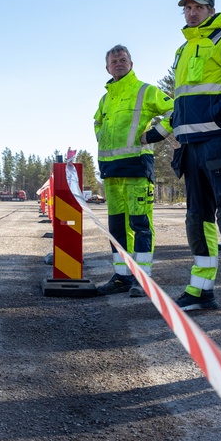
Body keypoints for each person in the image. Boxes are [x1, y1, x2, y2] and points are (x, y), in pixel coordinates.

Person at [145, 0, 221, 325]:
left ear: (211, 9)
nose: (191, 13)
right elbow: (182, 100)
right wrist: (163, 130)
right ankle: (201, 292)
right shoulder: (183, 49)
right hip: (190, 148)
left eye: (198, 7)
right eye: (187, 8)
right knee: (198, 222)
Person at [93, 45, 174, 297]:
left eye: (123, 59)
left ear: (131, 63)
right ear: (107, 67)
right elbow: (97, 121)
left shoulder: (145, 91)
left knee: (140, 224)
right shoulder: (106, 98)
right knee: (117, 227)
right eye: (114, 61)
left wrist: (153, 134)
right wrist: (102, 138)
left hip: (137, 168)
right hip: (111, 171)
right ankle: (122, 277)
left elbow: (175, 110)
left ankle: (142, 278)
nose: (118, 63)